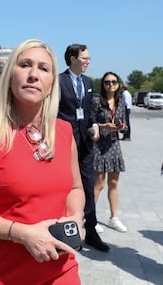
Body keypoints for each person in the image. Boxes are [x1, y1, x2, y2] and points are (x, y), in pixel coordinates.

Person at [0, 39, 85, 284]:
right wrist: (23, 233)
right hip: (3, 273)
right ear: (10, 76)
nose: (34, 74)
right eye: (25, 65)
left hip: (62, 268)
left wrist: (76, 217)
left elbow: (76, 188)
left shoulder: (65, 132)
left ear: (51, 84)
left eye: (44, 68)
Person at [58, 44, 110, 252]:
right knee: (64, 185)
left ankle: (91, 229)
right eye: (85, 58)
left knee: (88, 185)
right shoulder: (59, 81)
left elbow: (88, 111)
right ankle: (64, 228)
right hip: (64, 142)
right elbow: (55, 111)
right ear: (73, 59)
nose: (88, 61)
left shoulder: (88, 82)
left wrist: (95, 125)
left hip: (86, 143)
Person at [92, 72, 127, 233]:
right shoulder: (96, 101)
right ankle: (90, 218)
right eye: (107, 82)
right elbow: (90, 122)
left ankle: (114, 218)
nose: (110, 85)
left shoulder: (120, 102)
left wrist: (121, 127)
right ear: (103, 84)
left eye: (113, 82)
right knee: (98, 184)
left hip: (114, 145)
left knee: (113, 183)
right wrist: (104, 126)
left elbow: (125, 123)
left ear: (118, 84)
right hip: (99, 145)